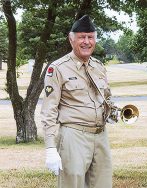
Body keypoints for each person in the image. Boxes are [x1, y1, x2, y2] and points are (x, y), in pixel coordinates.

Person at [41, 15, 113, 188]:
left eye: (90, 37)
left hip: (101, 136)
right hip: (74, 137)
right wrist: (50, 148)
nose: (86, 42)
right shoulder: (57, 68)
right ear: (71, 39)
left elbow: (107, 97)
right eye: (82, 37)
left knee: (103, 184)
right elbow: (49, 110)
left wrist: (111, 112)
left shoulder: (98, 66)